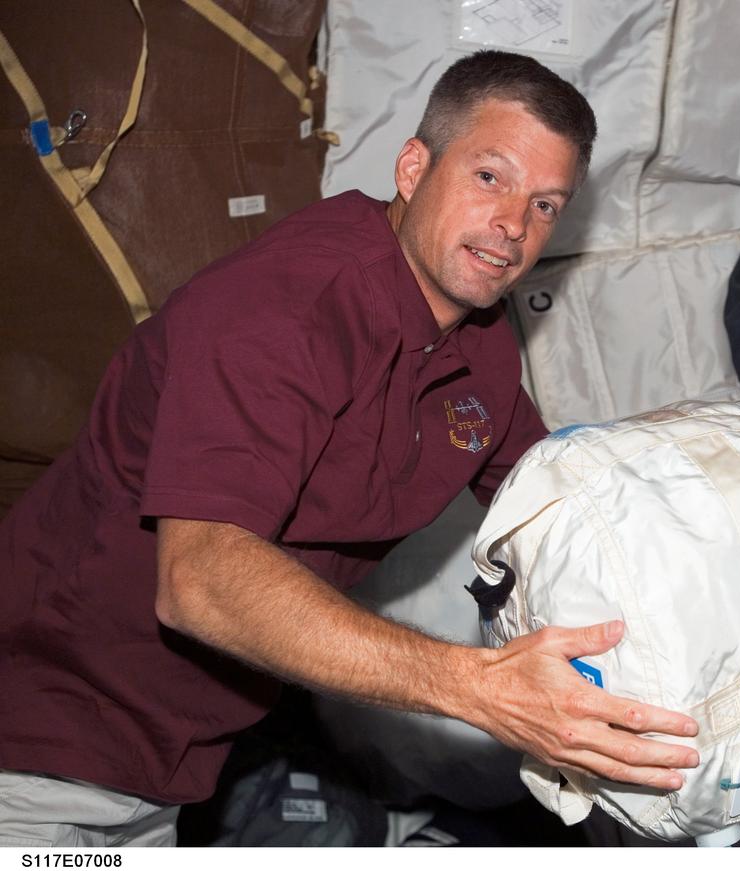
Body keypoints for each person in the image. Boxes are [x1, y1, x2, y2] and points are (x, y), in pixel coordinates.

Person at [0, 50, 699, 847]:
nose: (513, 225)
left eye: (545, 204)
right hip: (38, 746)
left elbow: (566, 499)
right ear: (413, 168)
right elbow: (201, 579)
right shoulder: (281, 312)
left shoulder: (479, 344)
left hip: (170, 769)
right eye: (489, 178)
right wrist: (476, 686)